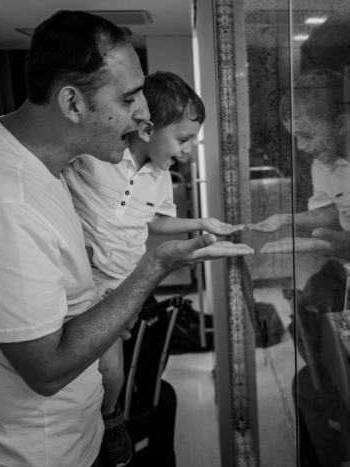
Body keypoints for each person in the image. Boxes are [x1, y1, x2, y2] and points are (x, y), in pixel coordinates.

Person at [0, 10, 252, 467]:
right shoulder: (2, 202)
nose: (143, 115)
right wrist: (154, 267)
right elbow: (47, 368)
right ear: (73, 104)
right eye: (130, 97)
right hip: (33, 452)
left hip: (67, 432)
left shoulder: (36, 159)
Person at [62, 70, 243, 465]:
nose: (186, 151)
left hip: (125, 283)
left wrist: (201, 223)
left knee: (119, 368)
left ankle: (111, 414)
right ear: (145, 128)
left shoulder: (160, 179)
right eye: (181, 140)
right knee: (106, 370)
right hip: (83, 279)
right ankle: (111, 421)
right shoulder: (98, 157)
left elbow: (156, 222)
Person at [248, 69, 350, 264]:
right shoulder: (320, 165)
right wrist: (286, 219)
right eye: (295, 137)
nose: (300, 147)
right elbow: (331, 212)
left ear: (340, 125)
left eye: (307, 135)